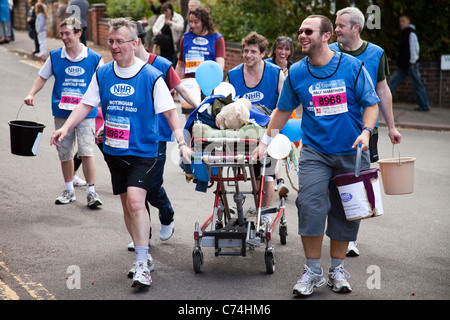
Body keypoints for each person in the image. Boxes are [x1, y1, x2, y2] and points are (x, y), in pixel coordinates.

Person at [50, 18, 192, 288]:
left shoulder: (151, 76)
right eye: (111, 42)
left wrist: (181, 141)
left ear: (135, 43)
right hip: (115, 152)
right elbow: (85, 104)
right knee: (128, 206)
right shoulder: (102, 73)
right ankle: (144, 254)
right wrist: (65, 127)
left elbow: (170, 112)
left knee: (137, 203)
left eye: (119, 42)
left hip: (143, 152)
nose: (114, 46)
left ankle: (141, 264)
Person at [252, 15, 379, 296]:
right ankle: (313, 271)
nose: (301, 35)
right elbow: (283, 110)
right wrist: (264, 143)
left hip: (351, 152)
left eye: (308, 31)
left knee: (347, 212)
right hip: (315, 152)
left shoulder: (353, 67)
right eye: (300, 31)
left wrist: (367, 132)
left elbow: (371, 103)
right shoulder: (297, 72)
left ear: (327, 36)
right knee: (309, 205)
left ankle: (337, 270)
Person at [331, 7, 402, 256]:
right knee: (331, 183)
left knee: (354, 182)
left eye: (340, 26)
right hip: (333, 129)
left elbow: (383, 91)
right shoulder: (328, 52)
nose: (335, 30)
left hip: (364, 130)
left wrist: (391, 126)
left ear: (356, 28)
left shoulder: (376, 53)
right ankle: (335, 233)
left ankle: (348, 238)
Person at [124, 21, 199, 252]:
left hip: (157, 135)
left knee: (153, 184)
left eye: (124, 40)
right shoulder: (122, 67)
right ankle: (142, 235)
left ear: (137, 40)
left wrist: (200, 108)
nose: (118, 46)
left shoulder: (161, 64)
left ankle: (166, 214)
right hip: (132, 135)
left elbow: (182, 88)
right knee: (136, 187)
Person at [24, 17, 103, 208]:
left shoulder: (93, 58)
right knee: (65, 153)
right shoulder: (55, 56)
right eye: (62, 34)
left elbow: (104, 84)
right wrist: (31, 93)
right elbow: (42, 77)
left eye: (67, 34)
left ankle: (91, 192)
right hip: (62, 111)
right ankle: (69, 190)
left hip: (86, 113)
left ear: (78, 34)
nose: (64, 38)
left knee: (86, 151)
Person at [227, 31, 285, 216]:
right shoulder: (233, 75)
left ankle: (266, 215)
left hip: (269, 131)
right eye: (245, 51)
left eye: (253, 51)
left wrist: (272, 129)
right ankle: (252, 207)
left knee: (267, 172)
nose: (248, 55)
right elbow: (225, 107)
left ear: (263, 54)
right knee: (250, 173)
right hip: (243, 134)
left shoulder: (276, 74)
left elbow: (284, 106)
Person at [175, 6, 226, 119]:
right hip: (188, 83)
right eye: (190, 22)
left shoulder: (217, 38)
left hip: (207, 86)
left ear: (205, 22)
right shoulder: (186, 38)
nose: (192, 25)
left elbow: (220, 65)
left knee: (206, 120)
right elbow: (180, 64)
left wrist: (210, 82)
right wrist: (174, 84)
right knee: (190, 120)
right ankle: (188, 137)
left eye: (196, 22)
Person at [265, 35, 296, 197]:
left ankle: (275, 180)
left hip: (284, 113)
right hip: (266, 113)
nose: (283, 52)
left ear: (290, 52)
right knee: (272, 145)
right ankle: (278, 180)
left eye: (286, 49)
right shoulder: (267, 65)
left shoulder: (293, 69)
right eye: (280, 48)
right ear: (274, 49)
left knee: (276, 145)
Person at [388, 15, 430, 112]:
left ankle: (424, 105)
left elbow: (414, 49)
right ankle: (383, 102)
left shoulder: (411, 33)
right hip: (403, 65)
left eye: (403, 21)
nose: (401, 23)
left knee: (417, 84)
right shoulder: (405, 33)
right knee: (393, 82)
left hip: (410, 65)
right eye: (400, 21)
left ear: (408, 21)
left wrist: (412, 62)